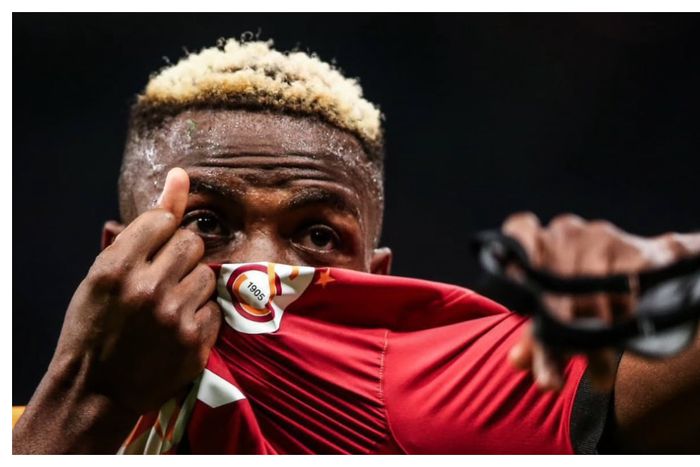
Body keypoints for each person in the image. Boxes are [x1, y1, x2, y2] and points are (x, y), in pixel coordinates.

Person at [12, 38, 700, 454]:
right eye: (207, 224)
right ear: (114, 259)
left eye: (317, 235)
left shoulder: (406, 386)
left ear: (377, 278)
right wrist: (89, 396)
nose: (261, 269)